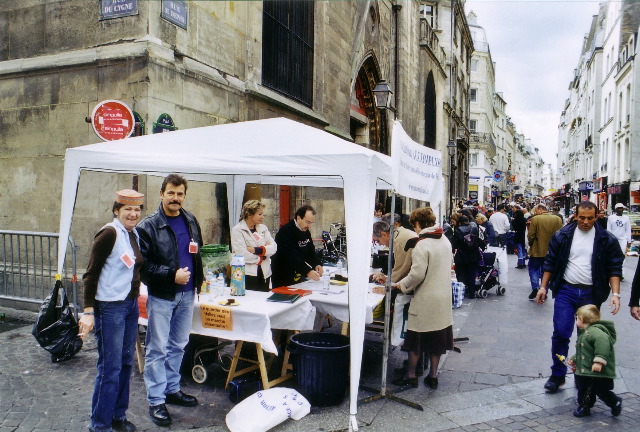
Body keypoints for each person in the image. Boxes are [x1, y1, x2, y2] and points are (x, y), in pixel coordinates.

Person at [535, 201, 624, 394]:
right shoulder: (563, 235)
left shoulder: (606, 239)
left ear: (597, 216)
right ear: (575, 216)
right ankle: (558, 374)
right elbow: (550, 262)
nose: (585, 222)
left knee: (588, 336)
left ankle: (584, 375)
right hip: (566, 290)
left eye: (590, 218)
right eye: (581, 217)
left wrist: (616, 294)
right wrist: (543, 287)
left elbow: (614, 267)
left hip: (591, 293)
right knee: (560, 333)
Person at [137, 174, 204, 427]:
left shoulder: (190, 220)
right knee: (156, 349)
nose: (175, 198)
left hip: (187, 295)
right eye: (171, 193)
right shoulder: (149, 226)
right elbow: (143, 268)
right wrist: (171, 275)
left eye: (180, 194)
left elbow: (196, 254)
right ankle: (156, 401)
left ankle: (171, 389)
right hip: (163, 296)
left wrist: (200, 280)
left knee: (178, 344)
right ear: (161, 194)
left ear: (184, 195)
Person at [80, 189, 145, 432]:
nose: (133, 213)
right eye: (127, 208)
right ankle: (100, 425)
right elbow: (90, 274)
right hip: (110, 307)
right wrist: (88, 311)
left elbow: (134, 268)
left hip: (129, 305)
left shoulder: (132, 233)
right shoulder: (109, 233)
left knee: (126, 362)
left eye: (137, 209)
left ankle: (118, 416)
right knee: (110, 367)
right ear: (116, 210)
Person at [390, 207, 454, 389]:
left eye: (414, 226)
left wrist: (401, 285)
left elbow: (417, 275)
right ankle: (433, 375)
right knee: (438, 340)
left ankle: (411, 375)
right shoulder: (445, 240)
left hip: (425, 298)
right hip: (442, 298)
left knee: (415, 339)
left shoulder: (422, 244)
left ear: (418, 224)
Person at [567, 305, 622, 418]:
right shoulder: (586, 332)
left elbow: (603, 347)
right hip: (587, 370)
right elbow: (584, 351)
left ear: (583, 319)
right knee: (584, 389)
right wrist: (574, 359)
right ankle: (584, 406)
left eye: (577, 318)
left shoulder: (597, 333)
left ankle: (614, 402)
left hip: (598, 372)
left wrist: (599, 362)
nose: (576, 320)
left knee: (601, 390)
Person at [271, 205, 323, 287]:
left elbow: (310, 251)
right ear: (298, 218)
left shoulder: (305, 231)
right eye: (307, 222)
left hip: (298, 275)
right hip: (283, 275)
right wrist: (307, 271)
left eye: (311, 223)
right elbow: (290, 256)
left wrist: (317, 264)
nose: (309, 226)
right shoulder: (285, 232)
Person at [230, 200, 277, 292]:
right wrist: (262, 256)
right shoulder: (237, 230)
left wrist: (256, 250)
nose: (262, 217)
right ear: (249, 215)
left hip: (265, 273)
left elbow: (274, 247)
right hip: (247, 274)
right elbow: (242, 254)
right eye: (259, 214)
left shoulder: (263, 228)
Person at [526, 204, 563, 300]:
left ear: (539, 209)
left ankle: (535, 287)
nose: (535, 212)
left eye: (536, 210)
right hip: (552, 250)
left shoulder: (536, 219)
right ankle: (544, 289)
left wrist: (530, 244)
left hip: (537, 249)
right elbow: (561, 235)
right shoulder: (557, 219)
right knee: (547, 270)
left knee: (533, 268)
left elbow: (531, 235)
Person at [371, 213, 418, 285]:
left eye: (378, 241)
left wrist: (387, 280)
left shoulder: (399, 241)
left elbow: (401, 270)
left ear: (384, 234)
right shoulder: (400, 233)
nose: (379, 244)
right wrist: (385, 277)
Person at [452, 215, 483, 299]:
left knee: (461, 274)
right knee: (472, 274)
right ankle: (471, 293)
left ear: (460, 222)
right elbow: (480, 241)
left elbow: (455, 244)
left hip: (462, 255)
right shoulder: (474, 228)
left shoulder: (458, 230)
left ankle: (462, 292)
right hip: (473, 255)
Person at [607, 203, 631, 277]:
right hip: (613, 239)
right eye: (619, 208)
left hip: (623, 239)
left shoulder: (626, 218)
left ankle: (621, 273)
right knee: (613, 255)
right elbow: (609, 229)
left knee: (622, 255)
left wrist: (629, 240)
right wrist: (609, 239)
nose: (621, 210)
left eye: (622, 208)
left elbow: (628, 229)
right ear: (616, 209)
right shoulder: (611, 218)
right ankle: (612, 271)